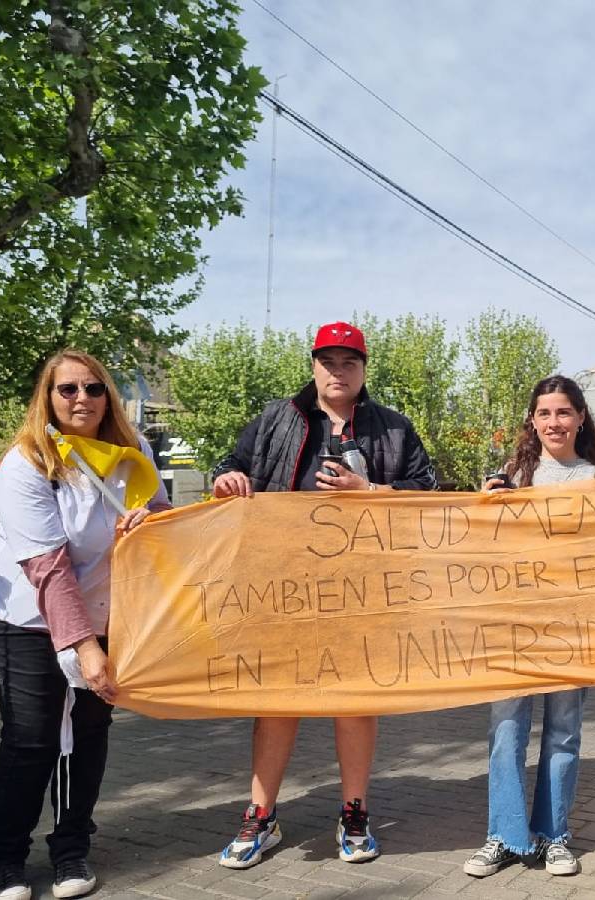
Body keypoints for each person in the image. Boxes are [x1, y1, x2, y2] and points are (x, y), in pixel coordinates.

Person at [212, 320, 437, 869]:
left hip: (363, 590)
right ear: (313, 365)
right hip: (279, 587)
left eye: (350, 362)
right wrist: (227, 480)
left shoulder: (393, 427)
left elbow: (428, 490)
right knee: (276, 701)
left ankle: (354, 812)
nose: (339, 371)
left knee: (354, 701)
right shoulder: (276, 418)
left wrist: (372, 491)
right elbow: (230, 465)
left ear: (364, 370)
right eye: (329, 361)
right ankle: (261, 816)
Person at [0, 350, 169, 900]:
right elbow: (49, 570)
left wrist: (150, 520)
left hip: (107, 608)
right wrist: (86, 651)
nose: (81, 399)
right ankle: (5, 859)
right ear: (48, 398)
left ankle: (70, 851)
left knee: (85, 734)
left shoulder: (135, 452)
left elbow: (161, 516)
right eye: (67, 390)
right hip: (24, 614)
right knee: (33, 738)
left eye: (93, 388)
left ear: (109, 395)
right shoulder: (25, 463)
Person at [463, 375, 595, 880]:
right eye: (545, 413)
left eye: (564, 412)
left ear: (580, 418)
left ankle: (554, 835)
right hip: (512, 624)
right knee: (506, 731)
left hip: (573, 624)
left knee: (564, 731)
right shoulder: (509, 476)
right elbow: (480, 549)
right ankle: (503, 835)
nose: (554, 422)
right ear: (533, 420)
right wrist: (483, 508)